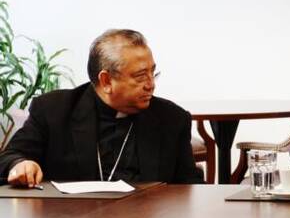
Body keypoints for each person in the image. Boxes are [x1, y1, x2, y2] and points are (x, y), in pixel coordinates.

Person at [0, 29, 203, 187]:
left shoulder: (171, 119)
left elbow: (189, 188)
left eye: (153, 73)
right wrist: (20, 164)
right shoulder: (54, 111)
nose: (151, 84)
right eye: (141, 76)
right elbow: (10, 156)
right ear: (106, 80)